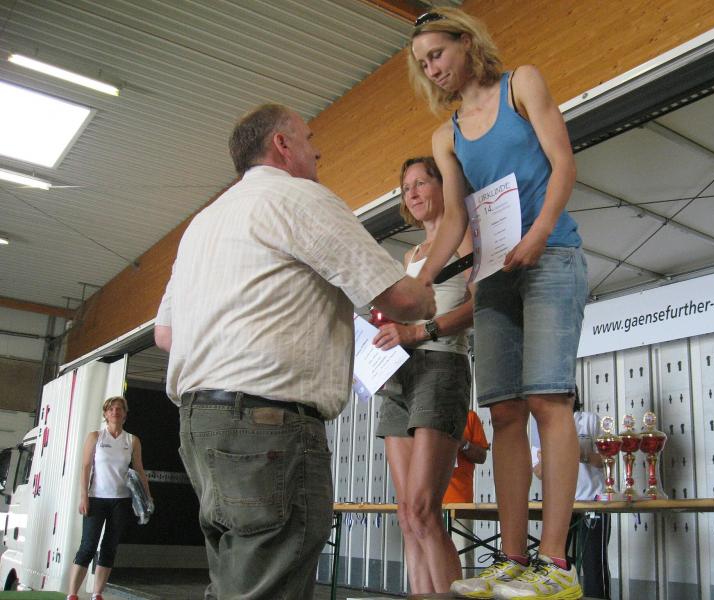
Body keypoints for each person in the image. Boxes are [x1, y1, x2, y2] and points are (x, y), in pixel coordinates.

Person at [154, 103, 435, 600]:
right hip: (268, 428)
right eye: (309, 138)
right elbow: (405, 301)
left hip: (199, 426)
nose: (317, 151)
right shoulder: (299, 198)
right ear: (282, 144)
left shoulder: (202, 224)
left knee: (234, 581)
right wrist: (428, 291)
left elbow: (165, 335)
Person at [408, 7, 588, 599]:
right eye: (422, 64)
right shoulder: (446, 135)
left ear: (466, 42)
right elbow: (454, 219)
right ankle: (512, 558)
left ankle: (555, 563)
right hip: (494, 275)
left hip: (550, 254)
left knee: (547, 398)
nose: (432, 69)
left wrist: (539, 233)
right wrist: (423, 282)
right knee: (505, 412)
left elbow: (563, 163)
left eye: (437, 54)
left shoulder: (521, 85)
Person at [371, 156, 474, 594]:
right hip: (400, 374)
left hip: (440, 365)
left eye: (421, 182)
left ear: (443, 186)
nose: (412, 193)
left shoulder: (465, 237)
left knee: (423, 510)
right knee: (406, 515)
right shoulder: (409, 256)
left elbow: (479, 305)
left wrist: (419, 331)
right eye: (406, 187)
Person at [67, 396, 151, 600]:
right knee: (88, 546)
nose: (115, 412)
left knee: (110, 546)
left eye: (119, 409)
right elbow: (86, 467)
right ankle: (72, 594)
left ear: (125, 414)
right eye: (111, 409)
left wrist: (147, 497)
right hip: (96, 498)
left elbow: (139, 470)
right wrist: (84, 497)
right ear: (105, 413)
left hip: (121, 501)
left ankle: (97, 593)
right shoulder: (96, 437)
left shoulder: (132, 440)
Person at [533, 391, 610, 599]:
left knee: (593, 563)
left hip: (592, 502)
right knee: (553, 561)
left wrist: (579, 454)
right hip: (558, 505)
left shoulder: (590, 420)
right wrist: (549, 458)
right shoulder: (542, 425)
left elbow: (606, 460)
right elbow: (538, 472)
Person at [443, 409, 490, 572]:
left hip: (460, 502)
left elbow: (482, 456)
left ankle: (463, 588)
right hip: (427, 501)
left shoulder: (469, 417)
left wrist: (464, 444)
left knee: (462, 558)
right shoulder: (422, 415)